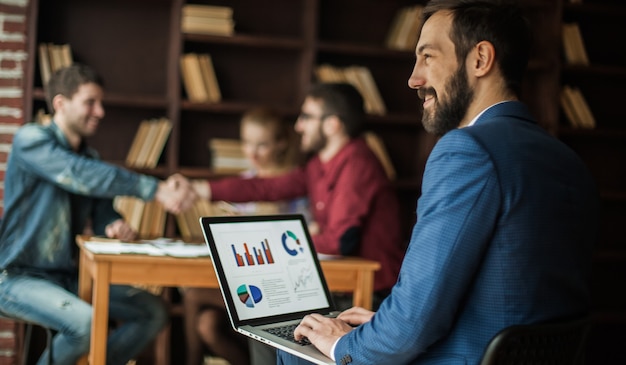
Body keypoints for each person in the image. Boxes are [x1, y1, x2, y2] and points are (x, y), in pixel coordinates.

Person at [276, 0, 600, 364]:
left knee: (299, 345)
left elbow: (412, 325)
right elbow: (509, 292)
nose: (414, 79)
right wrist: (384, 323)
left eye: (427, 57)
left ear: (480, 59)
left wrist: (346, 344)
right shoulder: (567, 159)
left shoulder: (467, 151)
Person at [192, 82, 406, 364]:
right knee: (259, 314)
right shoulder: (318, 165)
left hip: (366, 294)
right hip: (335, 283)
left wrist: (276, 240)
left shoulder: (357, 164)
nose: (298, 126)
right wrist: (202, 190)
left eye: (306, 117)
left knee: (265, 315)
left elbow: (339, 241)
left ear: (332, 125)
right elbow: (267, 188)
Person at [0, 64, 196, 365]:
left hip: (68, 278)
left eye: (100, 103)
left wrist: (114, 225)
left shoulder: (90, 158)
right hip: (16, 278)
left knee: (153, 312)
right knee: (86, 324)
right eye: (90, 102)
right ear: (61, 104)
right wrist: (154, 190)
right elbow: (79, 175)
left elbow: (103, 210)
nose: (100, 111)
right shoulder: (32, 139)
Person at [183, 107, 311, 365]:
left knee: (192, 292)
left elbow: (304, 237)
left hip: (281, 285)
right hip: (249, 278)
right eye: (246, 143)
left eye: (261, 145)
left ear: (281, 143)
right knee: (207, 324)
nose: (252, 153)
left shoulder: (295, 182)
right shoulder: (244, 182)